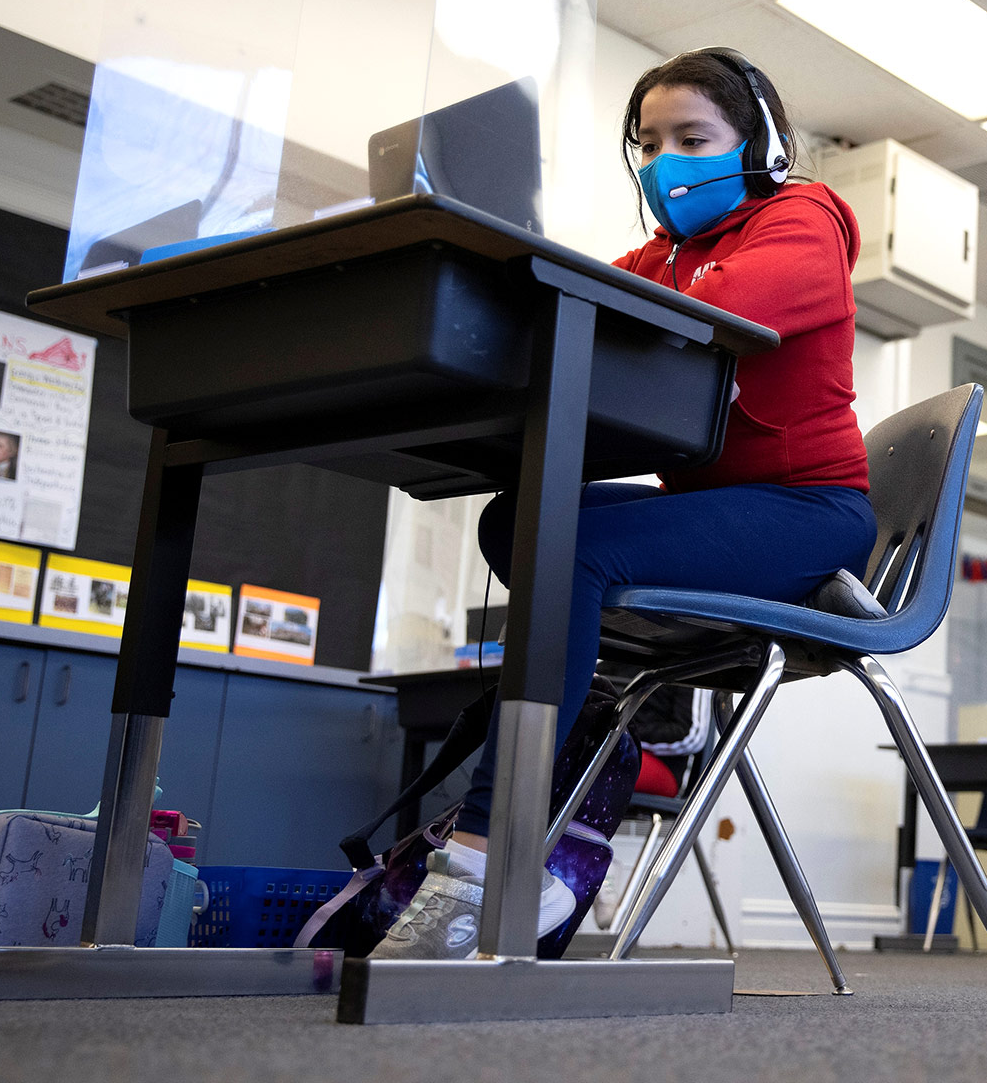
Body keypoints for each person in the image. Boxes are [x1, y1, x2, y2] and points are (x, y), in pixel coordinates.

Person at [372, 48, 877, 959]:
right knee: (517, 519)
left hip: (809, 512)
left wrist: (612, 295)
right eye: (647, 142)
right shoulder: (666, 255)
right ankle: (540, 784)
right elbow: (572, 303)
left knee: (571, 547)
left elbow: (723, 305)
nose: (664, 162)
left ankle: (486, 857)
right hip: (721, 511)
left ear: (760, 145)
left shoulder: (802, 216)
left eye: (693, 138)